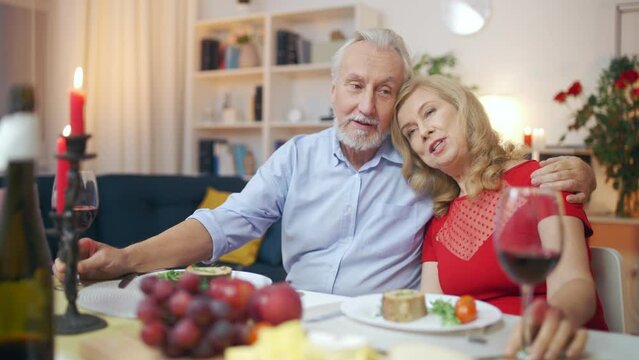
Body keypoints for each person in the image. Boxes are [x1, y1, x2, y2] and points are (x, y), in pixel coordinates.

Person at [53, 29, 597, 297]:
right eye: (356, 86)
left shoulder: (425, 167)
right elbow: (223, 225)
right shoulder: (295, 157)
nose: (367, 105)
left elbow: (490, 178)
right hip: (297, 319)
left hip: (383, 336)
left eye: (386, 92)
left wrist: (578, 174)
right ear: (333, 90)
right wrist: (127, 258)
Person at [391, 74, 607, 360]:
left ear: (463, 108)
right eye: (411, 132)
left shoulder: (539, 181)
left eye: (429, 112)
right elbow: (435, 308)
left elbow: (573, 282)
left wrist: (553, 318)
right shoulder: (438, 222)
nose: (424, 131)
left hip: (555, 347)